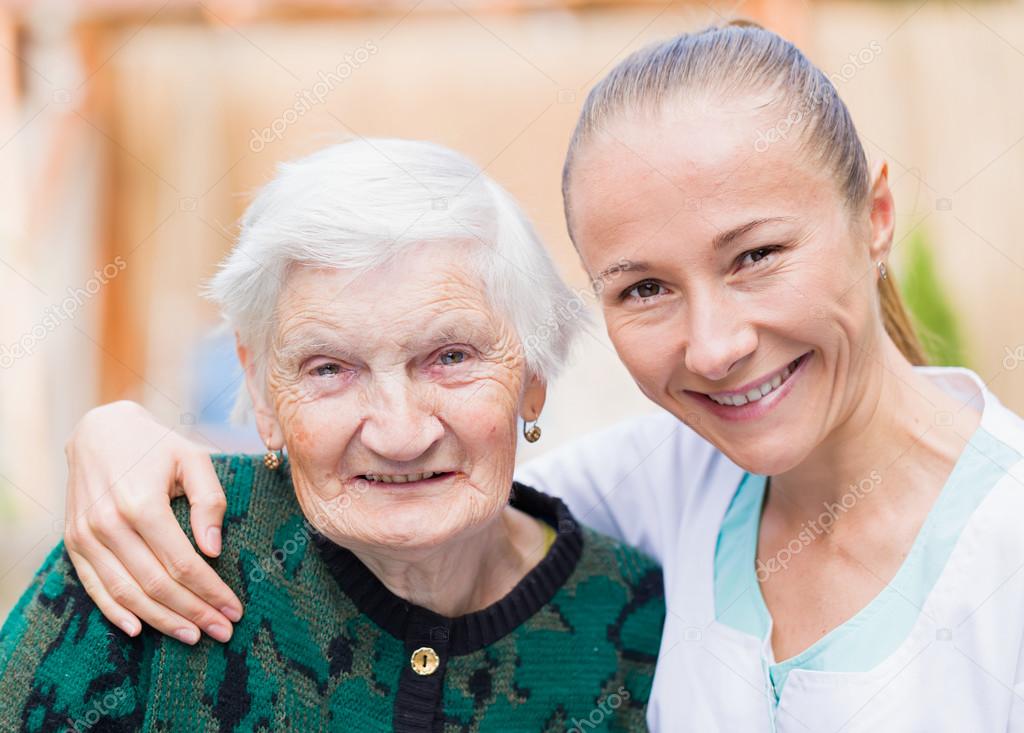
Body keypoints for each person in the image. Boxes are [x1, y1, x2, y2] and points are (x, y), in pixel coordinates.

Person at [43, 20, 1024, 731]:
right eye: (643, 288)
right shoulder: (658, 484)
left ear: (876, 215)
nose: (716, 345)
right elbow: (419, 485)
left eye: (757, 254)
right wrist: (120, 435)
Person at [0, 139, 664, 732]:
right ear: (259, 386)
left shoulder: (639, 621)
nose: (400, 433)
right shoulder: (156, 552)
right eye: (330, 368)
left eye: (452, 357)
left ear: (535, 374)